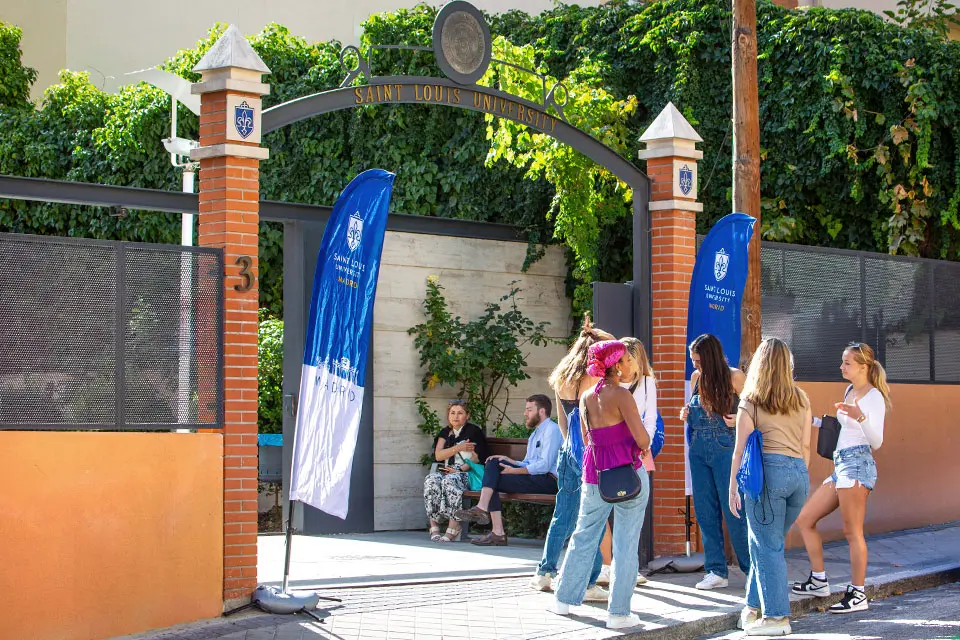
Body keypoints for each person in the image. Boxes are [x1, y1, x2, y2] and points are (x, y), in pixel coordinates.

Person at [548, 340, 651, 630]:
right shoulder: (621, 395)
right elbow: (642, 439)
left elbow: (584, 436)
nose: (632, 365)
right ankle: (618, 613)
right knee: (626, 543)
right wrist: (642, 446)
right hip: (628, 473)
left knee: (583, 536)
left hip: (595, 474)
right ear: (617, 365)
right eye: (628, 360)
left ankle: (564, 600)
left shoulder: (586, 398)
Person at [792, 342, 891, 614]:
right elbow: (839, 429)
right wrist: (813, 421)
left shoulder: (873, 397)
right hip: (841, 466)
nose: (841, 367)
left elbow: (877, 441)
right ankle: (819, 581)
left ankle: (858, 594)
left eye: (847, 363)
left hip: (858, 467)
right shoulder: (849, 390)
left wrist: (860, 417)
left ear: (862, 366)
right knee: (805, 519)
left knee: (852, 532)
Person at [729, 338, 812, 636]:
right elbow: (805, 447)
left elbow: (739, 451)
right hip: (798, 476)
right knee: (766, 544)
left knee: (767, 547)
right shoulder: (801, 398)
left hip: (767, 478)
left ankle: (776, 618)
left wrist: (732, 488)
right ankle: (751, 610)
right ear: (787, 364)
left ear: (758, 366)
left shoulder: (750, 401)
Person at [528, 314, 613, 600]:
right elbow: (596, 419)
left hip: (568, 451)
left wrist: (569, 447)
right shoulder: (595, 375)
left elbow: (563, 422)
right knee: (594, 516)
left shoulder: (562, 374)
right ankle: (588, 583)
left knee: (563, 514)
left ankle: (544, 572)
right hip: (591, 450)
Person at [682, 333, 750, 590]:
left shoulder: (734, 377)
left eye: (698, 361)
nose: (695, 366)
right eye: (693, 361)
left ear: (709, 357)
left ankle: (751, 568)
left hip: (726, 448)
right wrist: (686, 412)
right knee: (705, 511)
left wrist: (741, 417)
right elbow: (694, 408)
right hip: (698, 448)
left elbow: (755, 408)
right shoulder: (697, 379)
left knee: (734, 510)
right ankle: (716, 570)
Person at [455, 394, 562, 546]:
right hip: (535, 476)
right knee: (494, 461)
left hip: (549, 480)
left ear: (542, 411)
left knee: (493, 481)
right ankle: (490, 522)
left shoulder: (552, 430)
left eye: (529, 410)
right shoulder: (535, 434)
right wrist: (512, 461)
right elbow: (528, 462)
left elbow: (544, 466)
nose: (525, 414)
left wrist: (515, 471)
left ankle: (491, 522)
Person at [595, 336, 658, 588]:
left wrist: (647, 443)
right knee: (609, 506)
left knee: (632, 508)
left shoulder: (647, 383)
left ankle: (627, 568)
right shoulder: (607, 386)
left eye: (629, 358)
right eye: (621, 359)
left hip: (639, 449)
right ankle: (608, 566)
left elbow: (650, 417)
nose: (624, 364)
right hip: (614, 451)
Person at [423, 401, 488, 542]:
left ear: (467, 415)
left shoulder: (473, 432)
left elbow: (476, 459)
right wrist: (458, 448)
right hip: (447, 471)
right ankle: (434, 525)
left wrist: (457, 469)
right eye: (452, 413)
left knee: (450, 480)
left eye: (460, 413)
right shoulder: (445, 432)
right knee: (431, 479)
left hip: (466, 473)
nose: (456, 416)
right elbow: (438, 455)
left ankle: (454, 526)